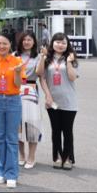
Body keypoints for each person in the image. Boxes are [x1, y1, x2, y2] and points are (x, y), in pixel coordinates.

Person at [0, 33, 26, 189]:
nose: (1, 46)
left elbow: (18, 85)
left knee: (12, 138)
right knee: (0, 137)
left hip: (13, 100)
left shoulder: (17, 61)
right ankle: (0, 171)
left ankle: (11, 173)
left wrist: (17, 72)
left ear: (10, 45)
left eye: (5, 43)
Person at [37, 32, 79, 171]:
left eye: (63, 43)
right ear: (52, 43)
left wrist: (68, 62)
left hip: (69, 101)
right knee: (56, 130)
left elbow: (72, 77)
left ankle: (68, 158)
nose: (60, 45)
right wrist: (47, 96)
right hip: (52, 101)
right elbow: (41, 76)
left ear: (67, 45)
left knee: (67, 131)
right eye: (58, 42)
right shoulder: (47, 58)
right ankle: (57, 157)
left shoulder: (71, 58)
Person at [16, 31, 42, 169]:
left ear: (34, 42)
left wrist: (43, 58)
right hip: (16, 91)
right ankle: (21, 155)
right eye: (24, 39)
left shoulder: (38, 57)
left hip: (31, 90)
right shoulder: (14, 55)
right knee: (17, 124)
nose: (26, 42)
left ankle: (31, 156)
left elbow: (40, 73)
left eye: (29, 39)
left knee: (32, 124)